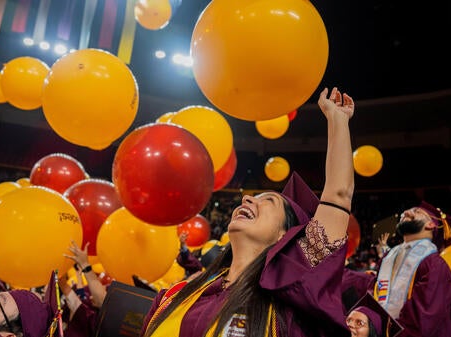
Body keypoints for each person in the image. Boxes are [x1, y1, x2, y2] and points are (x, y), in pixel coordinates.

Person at [139, 86, 355, 337]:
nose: (249, 199)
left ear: (283, 234)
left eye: (269, 200)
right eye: (253, 196)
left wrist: (337, 120)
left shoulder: (289, 302)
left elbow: (338, 195)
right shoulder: (175, 295)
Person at [373, 201, 451, 337]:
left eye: (417, 212)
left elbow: (422, 320)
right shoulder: (389, 257)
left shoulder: (435, 265)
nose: (406, 212)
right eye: (407, 210)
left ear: (430, 225)